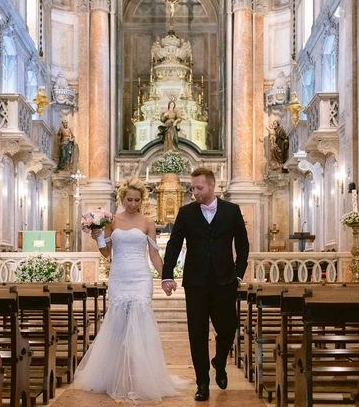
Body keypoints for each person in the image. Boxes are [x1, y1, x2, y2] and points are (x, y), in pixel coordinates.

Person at [74, 178, 187, 401]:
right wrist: (98, 238)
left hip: (140, 277)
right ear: (122, 198)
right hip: (119, 276)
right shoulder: (111, 221)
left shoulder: (147, 222)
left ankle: (141, 377)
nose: (133, 203)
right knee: (118, 325)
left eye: (137, 200)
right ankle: (115, 376)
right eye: (129, 199)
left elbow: (154, 254)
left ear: (142, 200)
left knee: (140, 323)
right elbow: (107, 254)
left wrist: (166, 278)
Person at [161, 167, 249, 401]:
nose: (195, 192)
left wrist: (239, 274)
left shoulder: (232, 211)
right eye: (193, 188)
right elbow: (174, 244)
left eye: (199, 188)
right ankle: (202, 382)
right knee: (197, 333)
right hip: (196, 282)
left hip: (225, 281)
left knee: (228, 328)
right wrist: (167, 274)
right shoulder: (186, 212)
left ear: (212, 186)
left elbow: (242, 245)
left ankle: (219, 362)